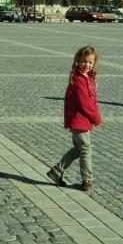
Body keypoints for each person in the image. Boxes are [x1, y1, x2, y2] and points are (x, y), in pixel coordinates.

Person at [47, 46, 102, 192]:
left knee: (79, 149)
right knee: (86, 149)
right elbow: (85, 103)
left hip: (82, 120)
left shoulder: (88, 77)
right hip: (79, 120)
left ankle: (56, 171)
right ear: (78, 61)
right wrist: (96, 117)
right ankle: (87, 180)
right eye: (84, 62)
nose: (87, 65)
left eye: (90, 62)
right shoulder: (78, 79)